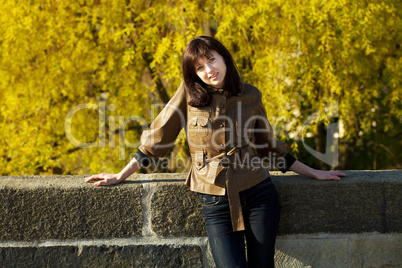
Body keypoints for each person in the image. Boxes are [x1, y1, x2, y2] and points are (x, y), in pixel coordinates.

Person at [85, 36, 346, 268]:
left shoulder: (251, 95)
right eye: (199, 67)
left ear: (224, 58)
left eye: (212, 60)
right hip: (214, 199)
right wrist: (120, 175)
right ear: (194, 73)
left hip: (259, 194)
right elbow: (159, 137)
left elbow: (268, 149)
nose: (209, 70)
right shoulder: (188, 95)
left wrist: (312, 172)